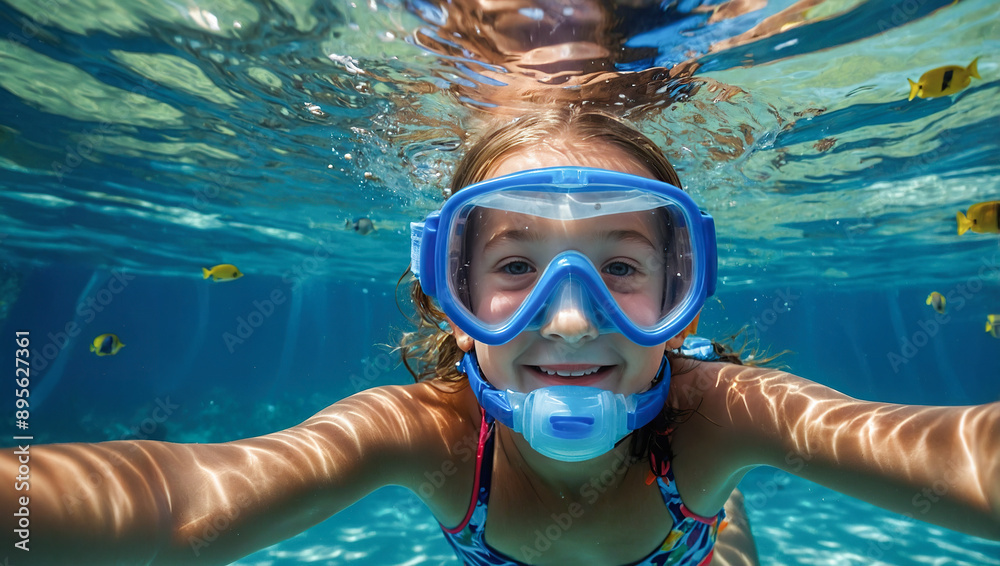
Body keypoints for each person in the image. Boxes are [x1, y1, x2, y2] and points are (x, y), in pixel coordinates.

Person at [4, 108, 998, 566]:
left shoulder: (720, 409)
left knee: (721, 524)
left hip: (683, 519)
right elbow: (180, 500)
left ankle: (719, 514)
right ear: (447, 295)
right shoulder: (422, 428)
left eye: (619, 267)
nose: (569, 317)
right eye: (515, 267)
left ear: (680, 288)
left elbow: (954, 459)